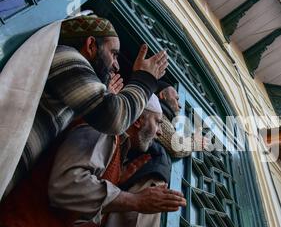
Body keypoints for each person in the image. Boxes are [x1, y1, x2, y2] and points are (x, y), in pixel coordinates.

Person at [0, 95, 186, 227]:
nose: (158, 132)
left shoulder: (115, 149)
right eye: (157, 122)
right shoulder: (102, 129)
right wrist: (134, 200)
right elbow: (67, 186)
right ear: (138, 120)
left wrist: (115, 182)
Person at [4, 15, 169, 197]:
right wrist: (145, 80)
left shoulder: (70, 84)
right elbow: (114, 117)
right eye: (114, 54)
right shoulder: (67, 56)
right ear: (91, 45)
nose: (116, 65)